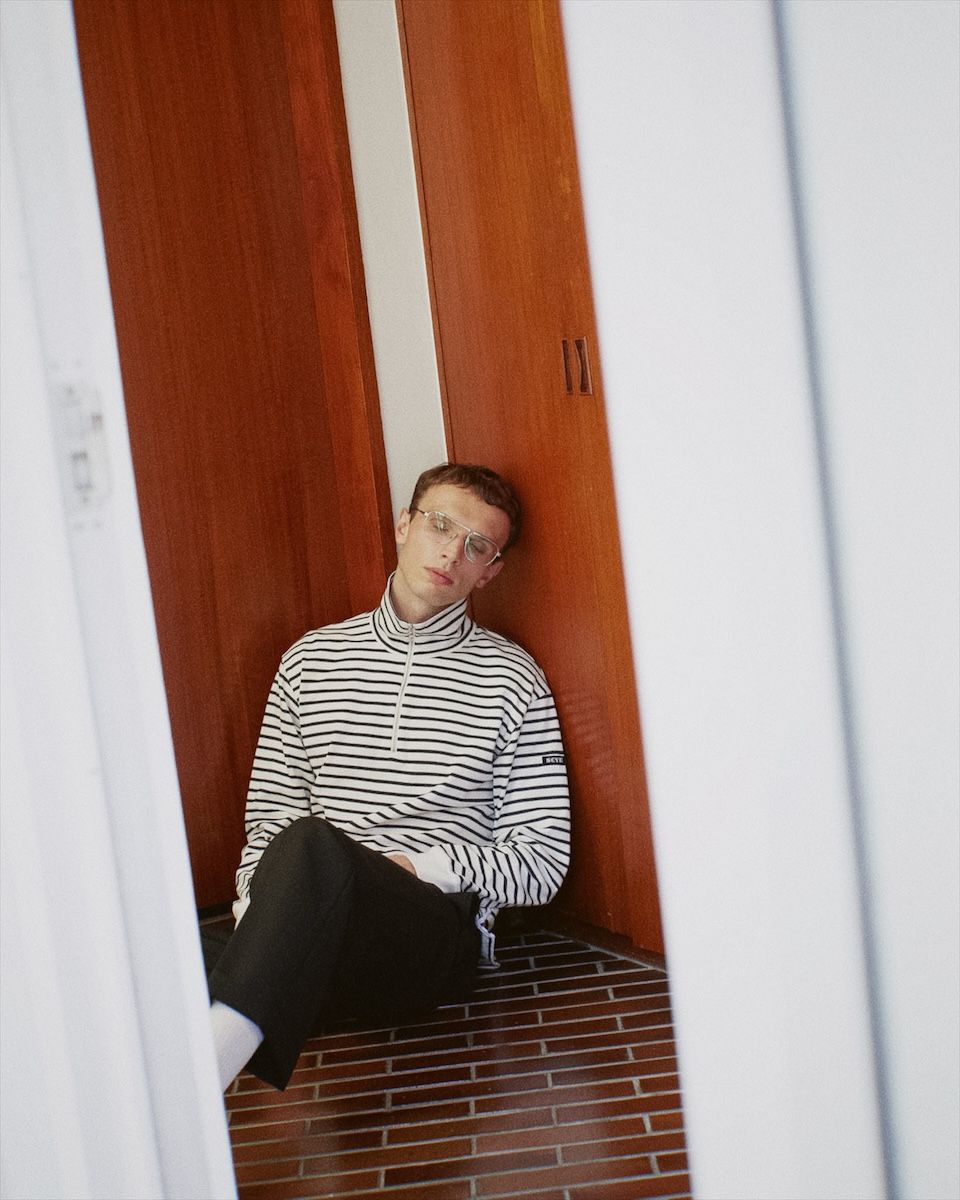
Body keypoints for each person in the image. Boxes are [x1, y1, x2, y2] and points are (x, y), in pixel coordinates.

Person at [205, 463, 570, 1091]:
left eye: (477, 545)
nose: (451, 553)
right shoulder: (309, 662)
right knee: (151, 955)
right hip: (318, 921)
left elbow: (542, 863)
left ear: (490, 571)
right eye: (440, 525)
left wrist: (416, 867)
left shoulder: (514, 680)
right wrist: (258, 910)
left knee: (311, 846)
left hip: (428, 932)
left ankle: (209, 1074)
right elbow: (268, 821)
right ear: (405, 525)